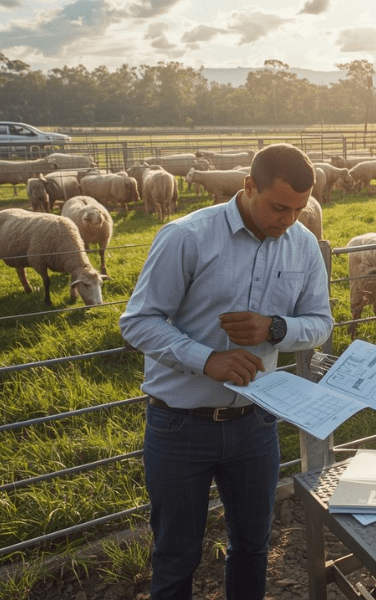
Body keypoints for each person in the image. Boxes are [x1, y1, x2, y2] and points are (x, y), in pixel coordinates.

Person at [120, 143, 333, 600]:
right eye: (279, 207)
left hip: (255, 424)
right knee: (176, 555)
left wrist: (275, 328)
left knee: (254, 546)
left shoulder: (302, 245)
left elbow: (321, 322)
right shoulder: (187, 237)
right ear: (249, 185)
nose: (289, 220)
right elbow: (138, 321)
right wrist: (206, 359)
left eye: (299, 209)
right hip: (180, 424)